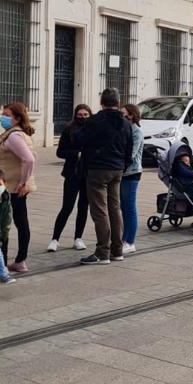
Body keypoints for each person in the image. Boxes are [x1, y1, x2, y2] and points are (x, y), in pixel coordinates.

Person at [75, 88, 132, 264]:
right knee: (115, 208)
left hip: (97, 168)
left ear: (101, 102)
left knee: (100, 210)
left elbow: (79, 139)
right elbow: (129, 148)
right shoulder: (126, 123)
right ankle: (117, 250)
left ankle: (102, 252)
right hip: (118, 168)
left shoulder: (95, 121)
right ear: (118, 103)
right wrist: (123, 165)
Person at [0, 103, 36, 273]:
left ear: (17, 118)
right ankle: (20, 261)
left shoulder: (14, 137)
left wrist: (23, 182)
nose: (3, 117)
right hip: (15, 187)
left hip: (10, 187)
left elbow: (29, 160)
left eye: (6, 115)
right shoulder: (22, 135)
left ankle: (1, 264)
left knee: (2, 225)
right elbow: (32, 159)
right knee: (21, 222)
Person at [48, 105, 91, 253]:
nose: (83, 117)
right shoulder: (68, 130)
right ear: (75, 115)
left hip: (88, 174)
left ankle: (78, 238)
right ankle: (55, 239)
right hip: (72, 173)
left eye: (86, 114)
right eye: (80, 114)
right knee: (67, 207)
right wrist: (76, 154)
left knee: (83, 207)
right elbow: (60, 152)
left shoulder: (94, 130)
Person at [120, 104, 144, 253]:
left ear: (132, 115)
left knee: (130, 207)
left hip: (132, 172)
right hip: (122, 173)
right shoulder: (124, 129)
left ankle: (130, 241)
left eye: (124, 114)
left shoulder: (136, 132)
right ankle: (124, 239)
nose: (122, 116)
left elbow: (131, 154)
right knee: (123, 208)